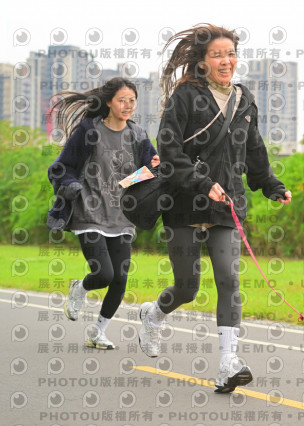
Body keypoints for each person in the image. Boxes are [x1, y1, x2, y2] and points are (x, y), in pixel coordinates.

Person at [137, 24, 291, 393]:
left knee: (229, 280)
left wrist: (271, 185)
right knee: (187, 287)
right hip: (184, 203)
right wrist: (203, 183)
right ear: (203, 62)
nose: (226, 61)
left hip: (227, 205)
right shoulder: (186, 97)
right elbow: (169, 152)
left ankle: (227, 363)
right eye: (217, 55)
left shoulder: (244, 99)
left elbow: (254, 150)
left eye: (231, 54)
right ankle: (153, 314)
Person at [47, 77, 159, 350]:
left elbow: (149, 171)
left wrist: (151, 168)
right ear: (109, 102)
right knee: (104, 274)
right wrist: (72, 186)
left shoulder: (138, 135)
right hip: (90, 211)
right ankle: (81, 288)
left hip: (122, 216)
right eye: (122, 100)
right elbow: (61, 167)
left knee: (120, 279)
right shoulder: (89, 130)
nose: (128, 105)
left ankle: (98, 332)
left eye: (132, 101)